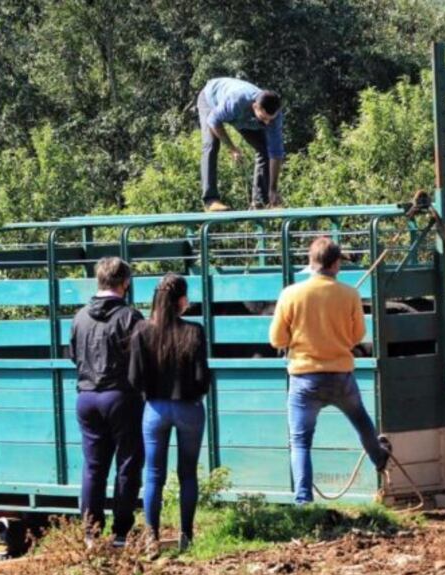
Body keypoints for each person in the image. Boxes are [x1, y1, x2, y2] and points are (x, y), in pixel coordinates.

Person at [269, 237, 391, 504]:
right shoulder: (350, 294)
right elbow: (358, 335)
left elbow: (277, 339)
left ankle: (303, 500)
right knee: (361, 421)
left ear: (310, 261)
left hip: (304, 378)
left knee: (300, 442)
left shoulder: (290, 294)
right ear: (336, 264)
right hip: (340, 375)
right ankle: (379, 458)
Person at [128, 274, 210, 550]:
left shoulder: (141, 330)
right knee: (188, 473)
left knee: (153, 474)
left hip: (155, 409)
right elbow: (202, 378)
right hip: (189, 408)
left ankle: (152, 535)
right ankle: (186, 535)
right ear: (181, 300)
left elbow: (134, 377)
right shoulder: (194, 331)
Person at [68, 257, 144, 547]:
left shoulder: (79, 317)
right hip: (121, 396)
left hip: (87, 397)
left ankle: (91, 533)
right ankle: (121, 533)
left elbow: (73, 355)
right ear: (125, 283)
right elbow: (142, 359)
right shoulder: (130, 317)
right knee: (127, 464)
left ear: (98, 280)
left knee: (93, 467)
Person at [197, 77, 285, 212]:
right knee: (211, 144)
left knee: (265, 149)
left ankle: (260, 203)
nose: (267, 123)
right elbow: (213, 121)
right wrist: (232, 148)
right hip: (211, 100)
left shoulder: (274, 117)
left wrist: (273, 189)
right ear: (255, 106)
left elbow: (276, 153)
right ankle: (211, 200)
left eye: (270, 120)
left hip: (242, 118)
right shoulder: (237, 101)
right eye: (263, 118)